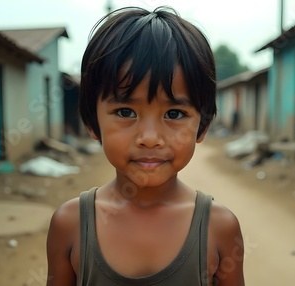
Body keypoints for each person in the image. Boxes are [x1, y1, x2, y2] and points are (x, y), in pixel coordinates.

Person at [46, 6, 245, 286]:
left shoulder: (220, 227)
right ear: (92, 123)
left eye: (174, 114)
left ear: (202, 126)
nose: (150, 137)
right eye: (126, 112)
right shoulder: (70, 225)